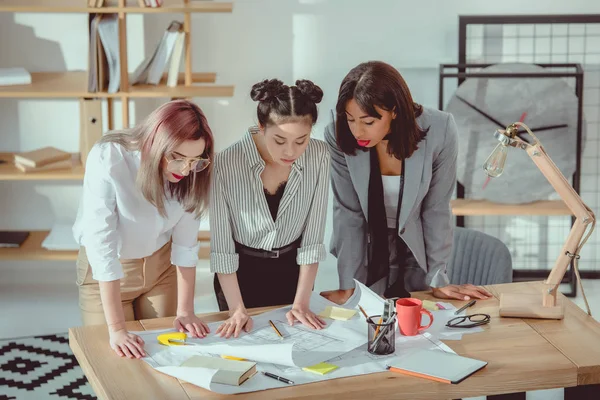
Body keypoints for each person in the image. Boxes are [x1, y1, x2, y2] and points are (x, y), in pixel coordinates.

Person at [320, 61, 492, 304]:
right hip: (366, 248)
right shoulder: (337, 135)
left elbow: (436, 208)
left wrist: (438, 278)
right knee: (365, 320)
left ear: (394, 111)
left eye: (368, 122)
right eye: (350, 119)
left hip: (416, 246)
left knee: (419, 321)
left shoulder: (440, 130)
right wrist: (349, 285)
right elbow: (348, 212)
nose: (357, 131)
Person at [73, 99, 214, 359]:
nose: (185, 169)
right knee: (116, 364)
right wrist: (116, 329)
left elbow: (185, 246)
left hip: (160, 271)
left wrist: (186, 310)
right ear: (156, 143)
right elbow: (101, 245)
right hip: (107, 273)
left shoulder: (193, 172)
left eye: (194, 160)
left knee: (167, 354)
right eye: (177, 157)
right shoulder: (111, 156)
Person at [210, 78, 330, 338]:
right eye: (280, 139)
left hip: (293, 273)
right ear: (261, 127)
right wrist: (236, 309)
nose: (290, 151)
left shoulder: (319, 155)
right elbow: (222, 247)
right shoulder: (225, 163)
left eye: (301, 140)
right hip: (240, 278)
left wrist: (302, 302)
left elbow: (312, 238)